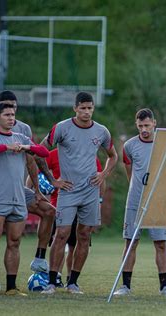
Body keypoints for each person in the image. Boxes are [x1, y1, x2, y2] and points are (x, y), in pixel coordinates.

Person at [39, 92, 118, 294]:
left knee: (84, 235)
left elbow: (113, 156)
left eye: (90, 108)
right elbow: (39, 151)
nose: (86, 112)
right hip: (68, 191)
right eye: (82, 108)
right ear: (75, 108)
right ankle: (51, 282)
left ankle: (73, 282)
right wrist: (52, 180)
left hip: (91, 192)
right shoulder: (62, 128)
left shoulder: (101, 131)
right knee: (61, 234)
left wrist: (103, 174)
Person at [0, 90, 55, 292]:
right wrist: (6, 147)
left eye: (13, 115)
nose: (11, 118)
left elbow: (44, 152)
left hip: (18, 196)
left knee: (14, 241)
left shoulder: (21, 136)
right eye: (7, 115)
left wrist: (24, 146)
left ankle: (11, 287)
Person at [113, 108, 166, 297]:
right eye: (140, 126)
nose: (144, 129)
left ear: (154, 123)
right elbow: (129, 170)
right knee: (130, 243)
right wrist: (137, 189)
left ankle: (165, 287)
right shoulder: (129, 146)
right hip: (135, 201)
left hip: (158, 201)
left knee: (161, 244)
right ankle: (125, 286)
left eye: (147, 125)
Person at [43, 148, 105, 286]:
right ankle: (55, 278)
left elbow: (100, 178)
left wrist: (99, 201)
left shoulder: (90, 157)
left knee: (75, 243)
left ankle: (71, 280)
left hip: (85, 204)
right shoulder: (53, 154)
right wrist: (36, 190)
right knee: (59, 238)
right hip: (59, 204)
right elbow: (37, 170)